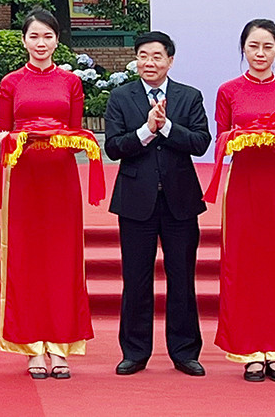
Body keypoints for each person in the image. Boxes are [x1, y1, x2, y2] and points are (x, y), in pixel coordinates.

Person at [0, 7, 98, 380]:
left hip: (60, 178)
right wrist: (21, 137)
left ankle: (60, 346)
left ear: (58, 41)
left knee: (62, 259)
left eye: (48, 36)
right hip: (24, 177)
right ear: (24, 40)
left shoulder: (71, 83)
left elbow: (75, 134)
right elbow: (2, 134)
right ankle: (31, 347)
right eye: (34, 36)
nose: (41, 43)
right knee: (26, 259)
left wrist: (58, 137)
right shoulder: (11, 83)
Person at [212, 19, 275, 383]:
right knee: (245, 264)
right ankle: (249, 350)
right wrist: (243, 136)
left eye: (267, 47)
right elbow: (221, 140)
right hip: (242, 186)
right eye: (253, 46)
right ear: (243, 49)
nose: (260, 53)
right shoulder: (228, 91)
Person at [105, 30, 210, 378]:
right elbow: (114, 147)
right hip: (136, 202)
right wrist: (146, 131)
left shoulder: (189, 96)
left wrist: (165, 128)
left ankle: (184, 351)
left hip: (180, 200)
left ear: (170, 60)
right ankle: (135, 351)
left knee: (182, 278)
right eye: (143, 56)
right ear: (136, 60)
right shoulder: (120, 97)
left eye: (157, 57)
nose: (149, 63)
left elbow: (200, 142)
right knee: (136, 279)